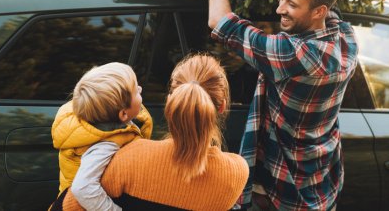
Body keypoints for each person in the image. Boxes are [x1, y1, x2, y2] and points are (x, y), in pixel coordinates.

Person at [207, 0, 359, 211]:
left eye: (291, 4)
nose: (279, 9)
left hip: (286, 192)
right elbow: (333, 11)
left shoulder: (294, 55)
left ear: (318, 11)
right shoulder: (346, 39)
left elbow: (219, 21)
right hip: (322, 184)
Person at [56, 53, 249, 211]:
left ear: (171, 102)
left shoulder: (126, 159)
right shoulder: (236, 173)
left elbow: (68, 205)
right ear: (222, 106)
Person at [51, 62, 152, 211]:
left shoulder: (99, 121)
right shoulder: (105, 145)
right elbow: (82, 188)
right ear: (123, 114)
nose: (140, 89)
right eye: (136, 91)